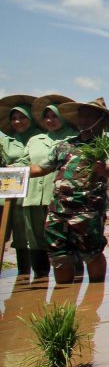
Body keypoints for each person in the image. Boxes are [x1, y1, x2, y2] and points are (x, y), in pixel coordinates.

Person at [28, 98, 109, 284]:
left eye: (89, 115)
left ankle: (95, 295)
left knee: (91, 252)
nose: (83, 119)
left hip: (87, 209)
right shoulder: (64, 145)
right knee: (59, 254)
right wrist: (11, 173)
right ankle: (63, 301)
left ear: (101, 119)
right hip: (58, 208)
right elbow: (41, 169)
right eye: (81, 115)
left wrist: (103, 169)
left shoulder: (108, 147)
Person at [20, 95, 75, 280]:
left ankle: (71, 281)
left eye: (55, 116)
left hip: (60, 197)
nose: (50, 120)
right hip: (33, 195)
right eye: (47, 117)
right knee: (35, 239)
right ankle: (40, 278)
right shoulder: (35, 139)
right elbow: (24, 162)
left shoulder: (73, 138)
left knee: (63, 238)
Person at [0, 95, 35, 276]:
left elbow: (32, 160)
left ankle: (24, 274)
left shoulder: (37, 138)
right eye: (14, 118)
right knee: (1, 233)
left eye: (22, 117)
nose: (17, 121)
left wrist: (12, 167)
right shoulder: (6, 140)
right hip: (5, 191)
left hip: (27, 192)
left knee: (23, 236)